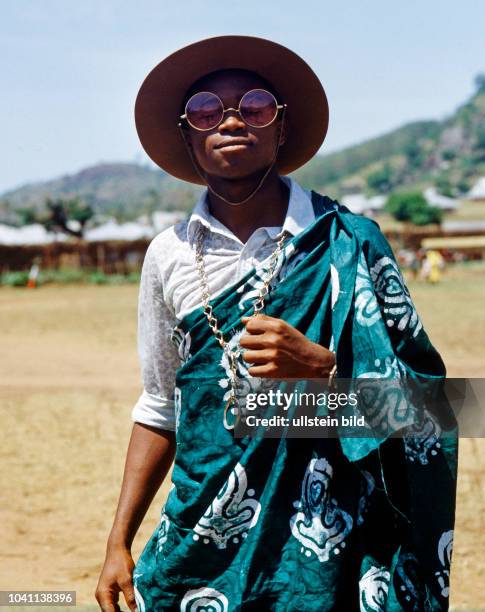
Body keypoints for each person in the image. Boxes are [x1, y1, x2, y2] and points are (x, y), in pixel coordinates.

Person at [95, 36, 458, 611]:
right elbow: (161, 405)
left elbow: (441, 409)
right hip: (200, 535)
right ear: (188, 137)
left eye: (257, 106)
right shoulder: (167, 255)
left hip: (329, 547)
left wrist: (327, 370)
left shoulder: (351, 242)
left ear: (282, 129)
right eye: (206, 110)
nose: (232, 120)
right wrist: (117, 541)